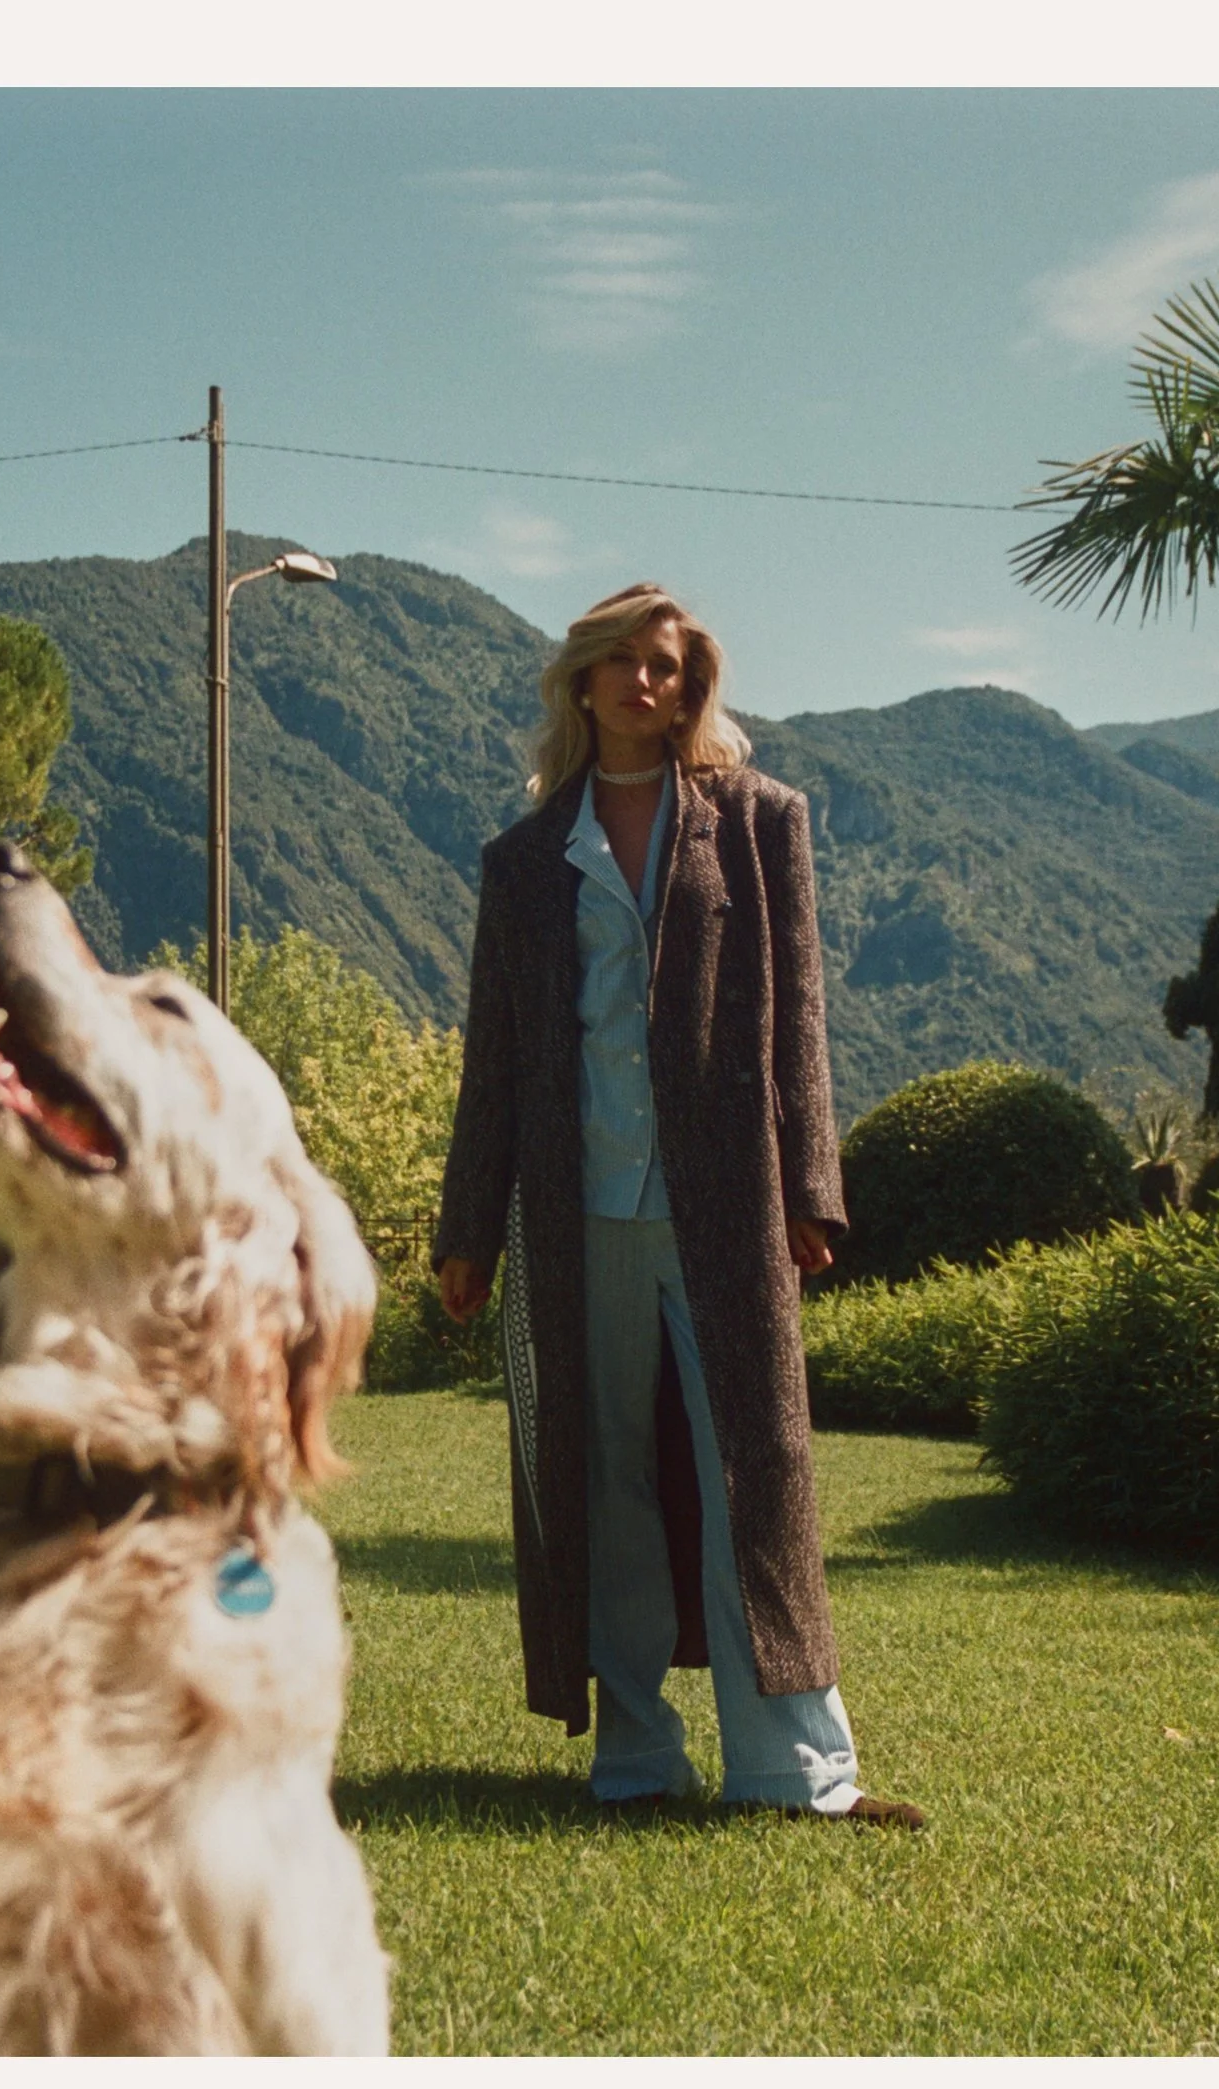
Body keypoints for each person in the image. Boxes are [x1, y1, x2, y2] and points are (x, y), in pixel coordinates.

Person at [432, 583, 924, 1826]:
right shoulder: (526, 859)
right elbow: (492, 1055)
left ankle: (800, 1770)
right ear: (583, 682)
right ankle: (638, 1761)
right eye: (623, 664)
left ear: (689, 684)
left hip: (725, 1203)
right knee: (602, 1482)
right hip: (573, 1206)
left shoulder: (761, 822)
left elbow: (798, 1013)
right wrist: (468, 1228)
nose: (646, 683)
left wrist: (810, 1183)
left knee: (755, 1467)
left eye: (667, 665)